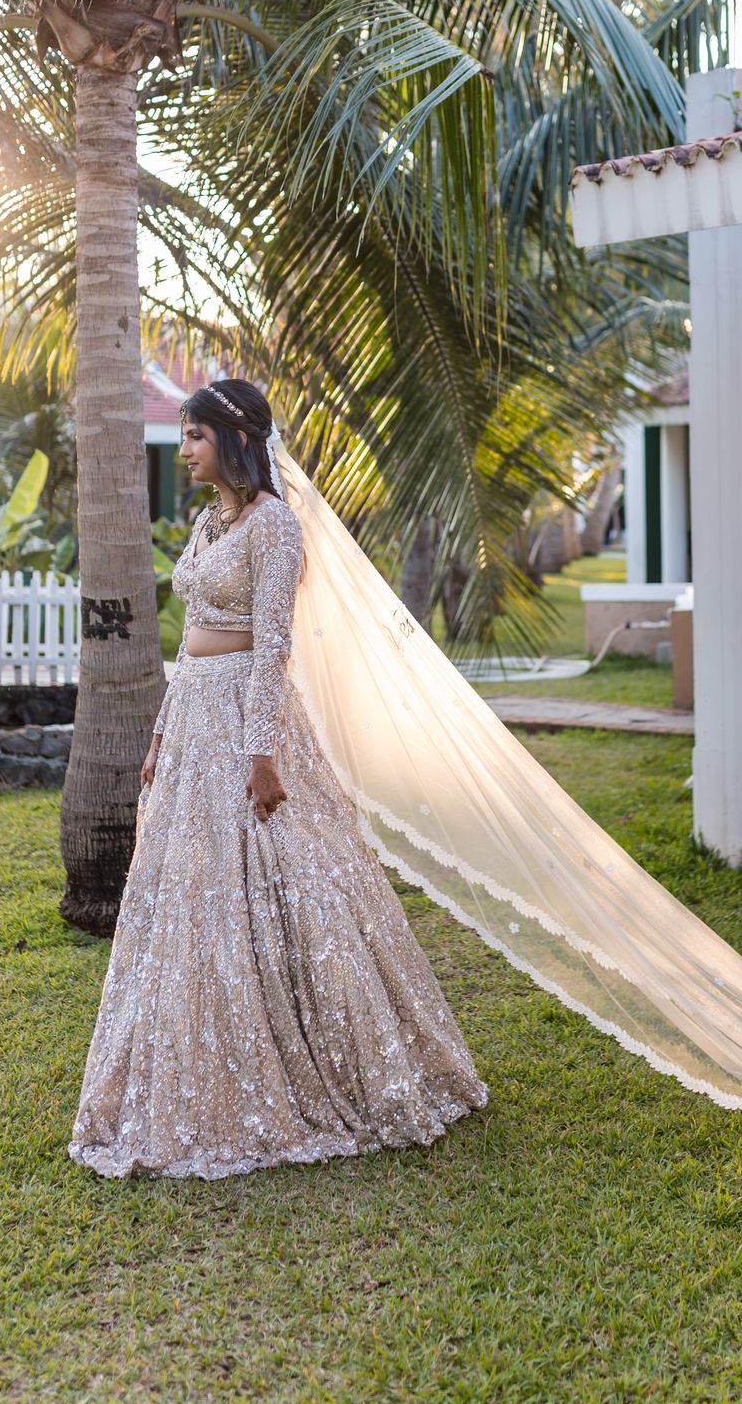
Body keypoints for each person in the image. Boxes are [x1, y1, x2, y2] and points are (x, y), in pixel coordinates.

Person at [69, 378, 487, 1182]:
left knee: (287, 874)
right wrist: (159, 732)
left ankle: (315, 1048)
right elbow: (190, 632)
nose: (183, 449)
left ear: (233, 440)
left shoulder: (274, 528)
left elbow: (270, 646)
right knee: (194, 886)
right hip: (192, 714)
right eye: (184, 435)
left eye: (194, 436)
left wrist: (260, 755)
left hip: (245, 719)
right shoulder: (208, 520)